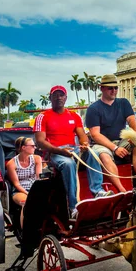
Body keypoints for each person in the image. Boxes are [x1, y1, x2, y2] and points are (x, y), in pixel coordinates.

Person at [34, 85, 111, 218]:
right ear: (50, 98)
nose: (58, 98)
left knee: (93, 153)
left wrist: (84, 145)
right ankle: (73, 207)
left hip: (73, 148)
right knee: (68, 164)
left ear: (65, 98)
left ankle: (97, 190)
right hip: (55, 152)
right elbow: (40, 142)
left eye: (61, 95)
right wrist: (60, 151)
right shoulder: (42, 116)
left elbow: (82, 137)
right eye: (55, 95)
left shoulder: (74, 116)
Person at [86, 74, 136, 193]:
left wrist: (135, 137)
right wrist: (115, 148)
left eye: (116, 88)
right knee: (104, 155)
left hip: (121, 141)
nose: (114, 91)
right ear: (102, 88)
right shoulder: (93, 109)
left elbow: (133, 122)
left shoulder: (123, 103)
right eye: (110, 88)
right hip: (102, 143)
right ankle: (122, 191)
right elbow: (95, 135)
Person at [6, 136, 42, 228]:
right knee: (26, 203)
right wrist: (28, 193)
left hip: (35, 187)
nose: (35, 148)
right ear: (23, 147)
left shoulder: (37, 158)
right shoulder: (12, 163)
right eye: (32, 146)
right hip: (20, 190)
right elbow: (16, 184)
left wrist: (36, 191)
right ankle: (25, 231)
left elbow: (39, 177)